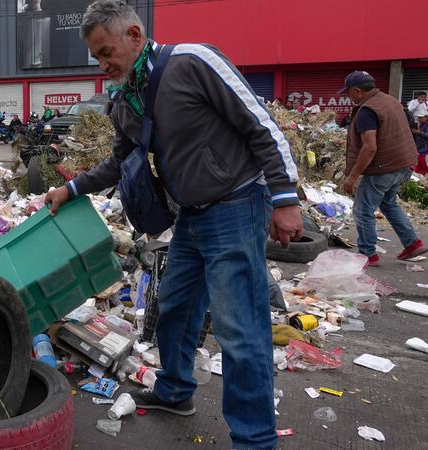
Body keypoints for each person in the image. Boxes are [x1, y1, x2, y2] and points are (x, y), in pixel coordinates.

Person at [44, 2, 302, 448]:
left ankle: (255, 439)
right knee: (175, 308)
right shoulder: (126, 98)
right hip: (192, 217)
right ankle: (176, 390)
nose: (104, 64)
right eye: (97, 57)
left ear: (135, 35)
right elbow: (120, 159)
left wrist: (284, 198)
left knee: (239, 329)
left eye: (107, 51)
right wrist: (72, 189)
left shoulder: (193, 61)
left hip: (237, 204)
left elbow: (262, 126)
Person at [340, 71, 428, 267]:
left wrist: (352, 177)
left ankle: (367, 254)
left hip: (383, 168)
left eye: (348, 93)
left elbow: (369, 147)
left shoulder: (367, 111)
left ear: (358, 91)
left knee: (363, 210)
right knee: (388, 204)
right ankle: (413, 243)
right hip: (404, 164)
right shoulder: (390, 100)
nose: (348, 97)